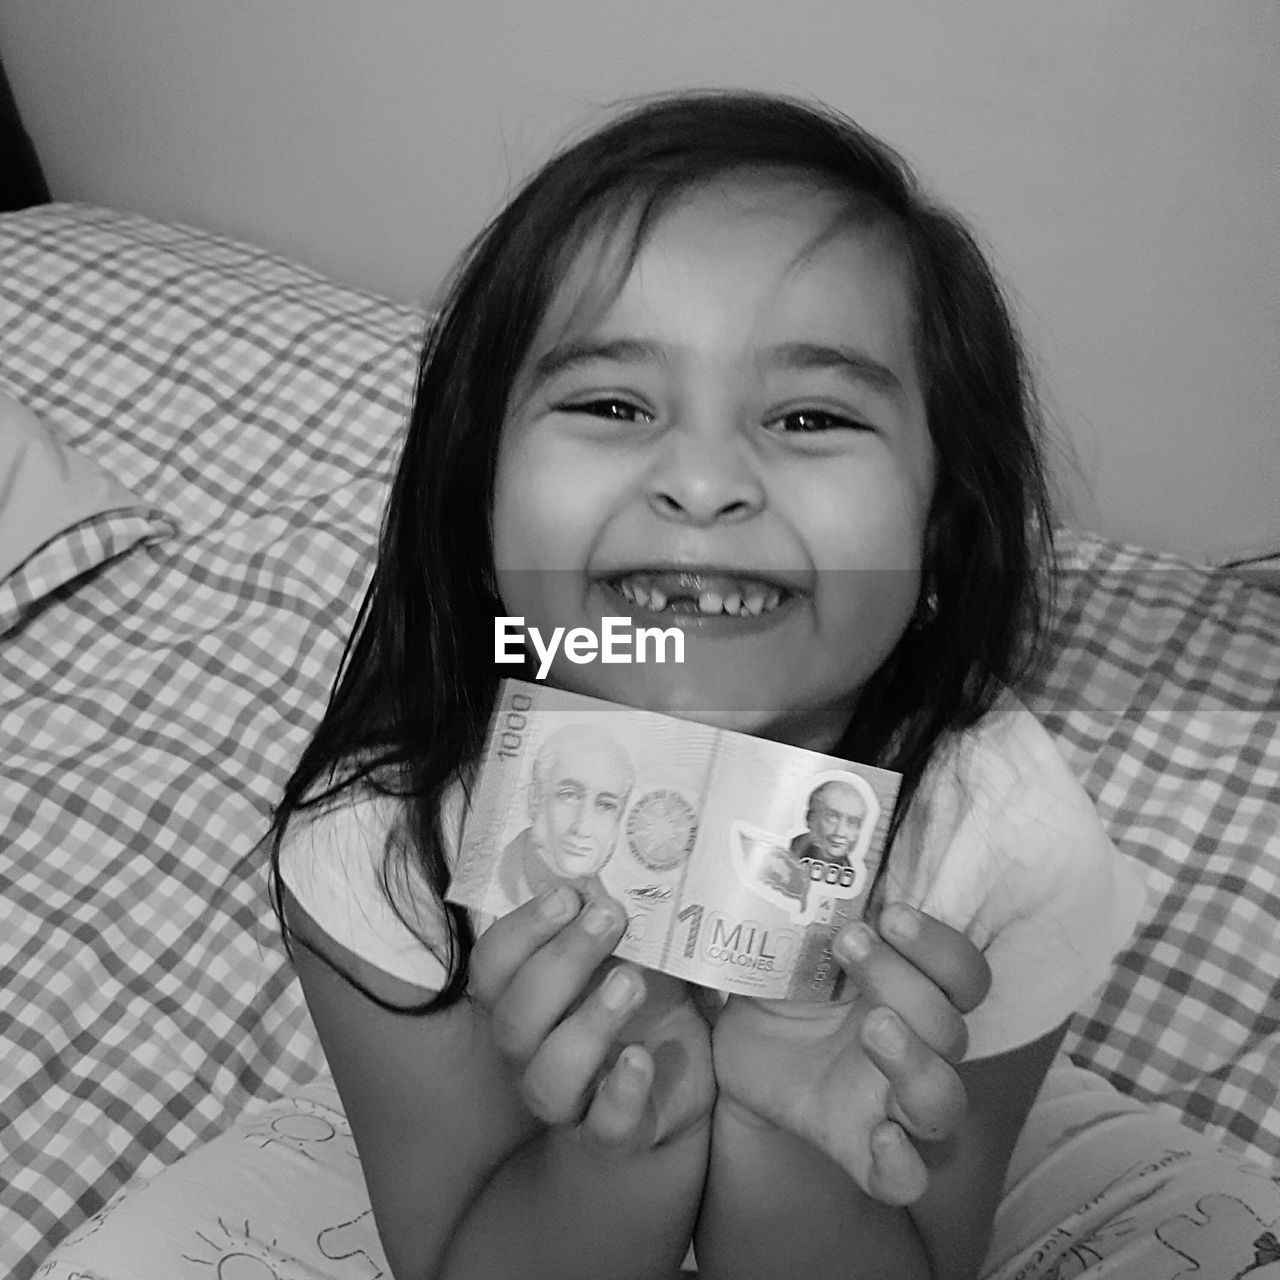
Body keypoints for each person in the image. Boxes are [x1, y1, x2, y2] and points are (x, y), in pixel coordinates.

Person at [41, 90, 1279, 1280]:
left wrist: (782, 1133)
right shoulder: (377, 838)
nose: (702, 479)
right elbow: (467, 1260)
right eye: (612, 401)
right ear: (475, 514)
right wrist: (626, 1133)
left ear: (938, 542)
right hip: (497, 1173)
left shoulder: (995, 850)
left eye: (807, 417)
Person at [496, 723, 634, 906]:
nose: (582, 828)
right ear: (535, 797)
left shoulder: (604, 903)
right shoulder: (500, 876)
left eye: (606, 805)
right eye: (569, 795)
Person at [790, 777, 869, 866]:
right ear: (810, 818)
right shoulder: (784, 853)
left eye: (852, 822)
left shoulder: (848, 870)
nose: (840, 832)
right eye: (832, 818)